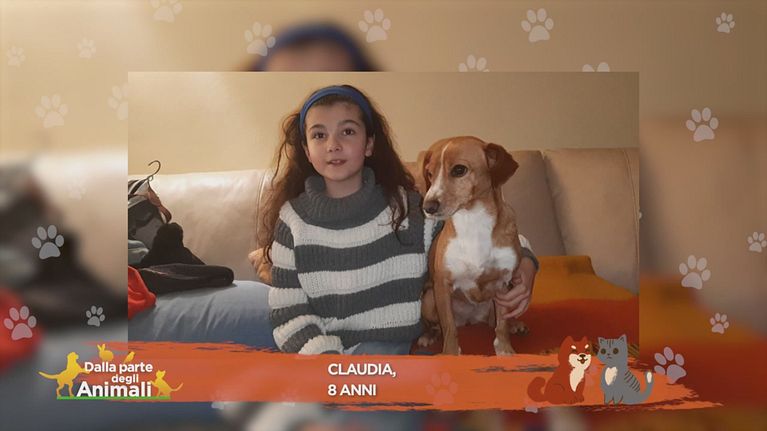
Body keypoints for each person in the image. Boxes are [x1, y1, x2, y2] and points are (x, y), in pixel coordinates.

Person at [260, 84, 438, 355]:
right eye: (319, 135)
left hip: (395, 352)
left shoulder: (410, 209)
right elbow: (289, 312)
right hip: (325, 356)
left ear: (369, 144)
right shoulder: (292, 221)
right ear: (307, 151)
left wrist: (511, 273)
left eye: (347, 132)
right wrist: (329, 361)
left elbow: (466, 253)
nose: (333, 145)